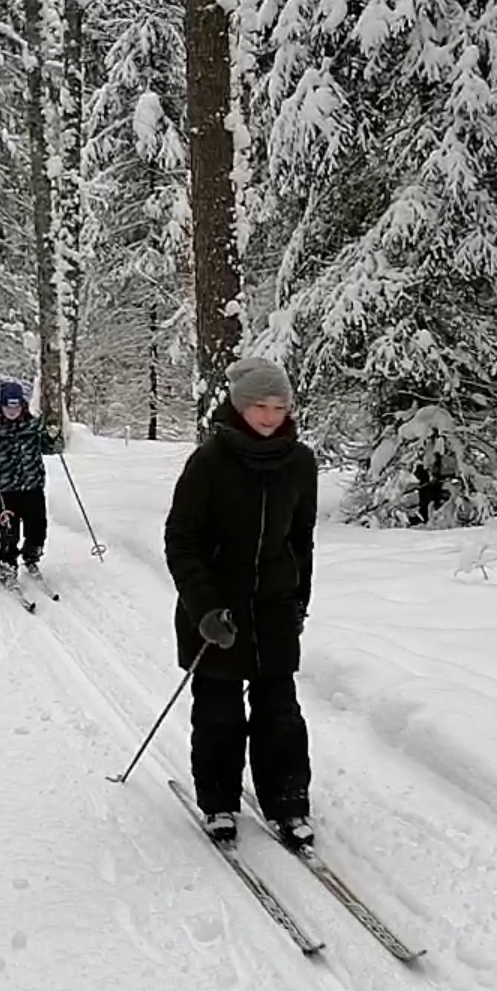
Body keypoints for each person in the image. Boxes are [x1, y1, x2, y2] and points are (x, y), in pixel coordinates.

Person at [163, 356, 319, 848]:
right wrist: (204, 608)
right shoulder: (209, 462)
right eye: (259, 406)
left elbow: (301, 540)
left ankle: (289, 803)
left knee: (281, 713)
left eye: (280, 406)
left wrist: (299, 601)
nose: (271, 416)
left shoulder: (299, 463)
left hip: (273, 608)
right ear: (239, 406)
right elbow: (181, 541)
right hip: (216, 612)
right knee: (218, 713)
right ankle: (219, 802)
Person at [0, 381, 64, 585]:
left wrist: (54, 436)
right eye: (8, 406)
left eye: (16, 406)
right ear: (1, 406)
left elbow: (53, 449)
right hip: (8, 491)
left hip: (33, 487)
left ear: (22, 405)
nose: (12, 411)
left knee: (37, 528)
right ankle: (7, 566)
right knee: (9, 533)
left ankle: (32, 555)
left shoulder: (34, 425)